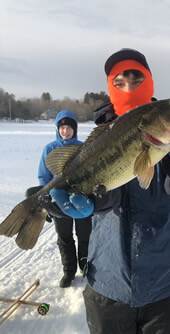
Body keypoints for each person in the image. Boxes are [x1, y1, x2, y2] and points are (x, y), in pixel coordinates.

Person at [48, 49, 170, 333]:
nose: (129, 87)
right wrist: (74, 203)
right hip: (106, 285)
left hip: (164, 286)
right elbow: (97, 190)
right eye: (119, 82)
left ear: (151, 82)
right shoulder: (102, 136)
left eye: (136, 78)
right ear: (110, 88)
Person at [37, 110, 92, 288]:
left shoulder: (83, 148)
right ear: (57, 129)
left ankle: (85, 266)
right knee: (64, 237)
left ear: (75, 129)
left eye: (69, 127)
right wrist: (45, 202)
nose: (66, 131)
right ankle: (68, 271)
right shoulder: (50, 148)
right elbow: (43, 177)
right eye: (62, 127)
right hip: (59, 200)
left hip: (80, 198)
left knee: (85, 235)